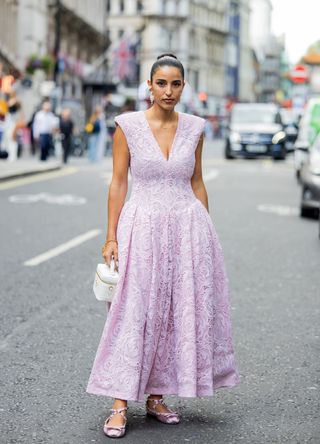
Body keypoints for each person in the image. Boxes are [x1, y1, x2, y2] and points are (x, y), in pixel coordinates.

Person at [86, 53, 240, 439]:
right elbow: (118, 183)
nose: (168, 91)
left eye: (175, 84)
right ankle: (119, 403)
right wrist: (110, 236)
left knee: (174, 312)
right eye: (161, 83)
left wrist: (205, 233)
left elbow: (197, 181)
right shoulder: (128, 126)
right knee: (133, 311)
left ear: (183, 87)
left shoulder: (196, 128)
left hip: (188, 229)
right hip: (141, 227)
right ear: (149, 86)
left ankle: (155, 397)